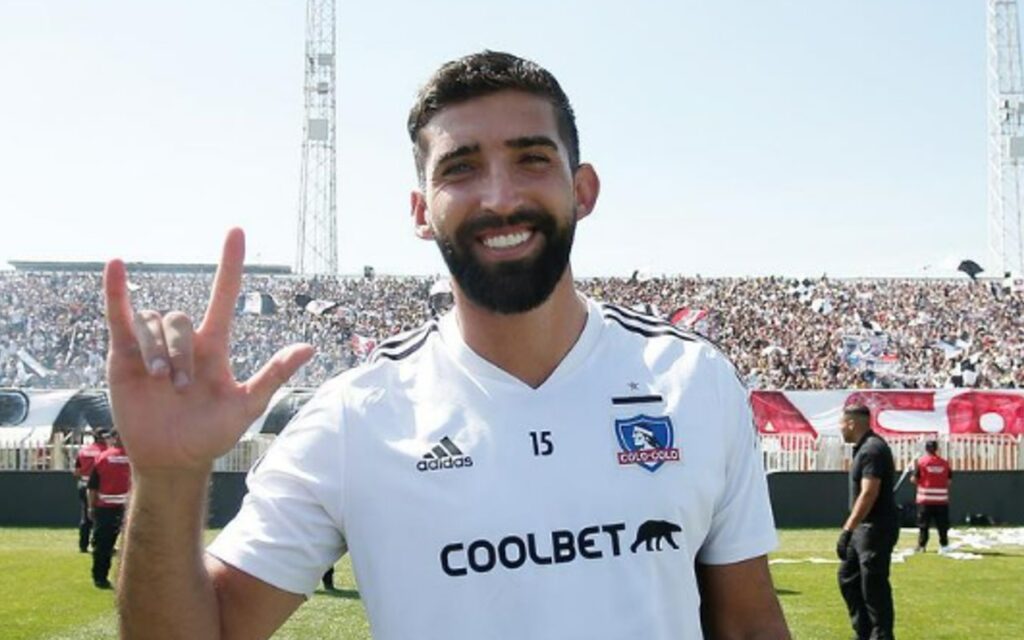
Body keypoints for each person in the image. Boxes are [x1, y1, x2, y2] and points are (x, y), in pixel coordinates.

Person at [105, 51, 790, 639]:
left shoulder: (692, 380)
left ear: (582, 190)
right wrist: (167, 480)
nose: (499, 197)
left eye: (531, 159)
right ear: (420, 212)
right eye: (461, 169)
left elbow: (750, 624)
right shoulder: (357, 415)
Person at [836, 404, 899, 640]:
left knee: (873, 587)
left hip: (875, 528)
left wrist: (847, 529)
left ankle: (881, 635)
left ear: (852, 423)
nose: (840, 428)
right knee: (848, 576)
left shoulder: (872, 450)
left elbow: (869, 492)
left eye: (842, 423)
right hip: (863, 529)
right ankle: (863, 632)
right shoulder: (863, 448)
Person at [87, 430, 131, 589]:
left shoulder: (103, 457)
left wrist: (91, 508)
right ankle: (131, 580)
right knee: (134, 547)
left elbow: (93, 487)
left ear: (115, 438)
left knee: (103, 546)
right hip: (131, 509)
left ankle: (100, 578)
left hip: (106, 509)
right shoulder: (136, 459)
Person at [910, 439, 952, 554]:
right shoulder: (944, 463)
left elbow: (914, 479)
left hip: (925, 499)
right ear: (937, 449)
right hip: (941, 500)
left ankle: (922, 546)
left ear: (926, 449)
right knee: (942, 525)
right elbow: (949, 481)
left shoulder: (921, 462)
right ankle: (944, 545)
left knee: (923, 525)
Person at [73, 428, 108, 553]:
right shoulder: (105, 452)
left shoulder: (83, 451)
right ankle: (98, 544)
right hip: (99, 488)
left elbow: (76, 472)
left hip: (83, 485)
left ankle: (83, 545)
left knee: (85, 516)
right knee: (101, 517)